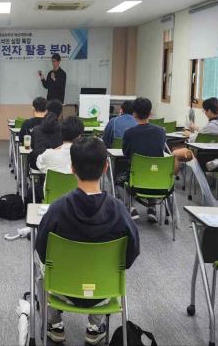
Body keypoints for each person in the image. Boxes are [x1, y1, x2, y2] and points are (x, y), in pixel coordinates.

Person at [35, 137, 140, 345]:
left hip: (61, 289)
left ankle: (54, 324)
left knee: (38, 265)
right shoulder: (120, 210)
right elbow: (131, 254)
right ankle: (95, 327)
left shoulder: (56, 209)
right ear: (106, 167)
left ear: (72, 168)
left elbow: (42, 250)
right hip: (104, 291)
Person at [122, 97, 167, 223]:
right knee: (152, 168)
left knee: (118, 178)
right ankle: (152, 208)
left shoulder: (129, 133)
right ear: (150, 113)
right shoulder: (161, 132)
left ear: (134, 113)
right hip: (158, 179)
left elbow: (125, 152)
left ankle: (131, 208)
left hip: (135, 179)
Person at [171, 97, 218, 173]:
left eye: (205, 111)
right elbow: (207, 132)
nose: (205, 113)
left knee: (175, 152)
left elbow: (196, 139)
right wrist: (196, 128)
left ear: (209, 111)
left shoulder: (211, 125)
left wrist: (189, 134)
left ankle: (172, 178)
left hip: (202, 154)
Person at [28, 100, 64, 169]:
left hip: (38, 165)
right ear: (61, 114)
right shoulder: (64, 129)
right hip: (59, 165)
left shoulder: (36, 129)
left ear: (46, 111)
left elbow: (32, 146)